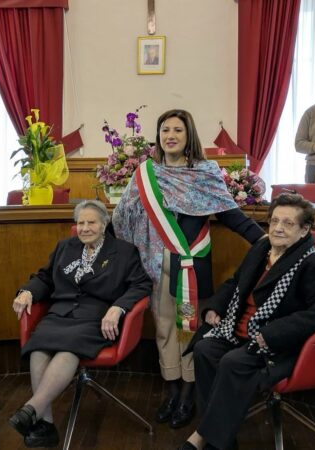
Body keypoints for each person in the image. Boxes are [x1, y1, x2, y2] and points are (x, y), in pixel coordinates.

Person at [112, 109, 265, 430]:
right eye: (165, 129)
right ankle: (170, 389)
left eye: (177, 130)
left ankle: (187, 394)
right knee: (165, 329)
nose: (170, 135)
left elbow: (231, 216)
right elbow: (124, 216)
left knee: (188, 329)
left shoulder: (205, 173)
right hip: (154, 266)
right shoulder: (145, 174)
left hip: (190, 269)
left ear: (188, 136)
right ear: (158, 136)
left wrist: (265, 242)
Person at [176, 193, 315, 450]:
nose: (278, 228)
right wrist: (214, 308)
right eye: (275, 220)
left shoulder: (312, 263)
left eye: (288, 223)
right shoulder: (261, 248)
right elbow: (236, 282)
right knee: (204, 349)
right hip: (237, 331)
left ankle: (203, 438)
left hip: (274, 344)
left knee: (233, 362)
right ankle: (222, 437)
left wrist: (274, 332)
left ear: (304, 230)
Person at [10, 200, 152, 448]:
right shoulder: (65, 247)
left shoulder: (124, 251)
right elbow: (44, 277)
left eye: (91, 222)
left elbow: (142, 285)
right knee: (39, 347)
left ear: (104, 224)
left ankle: (31, 408)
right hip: (60, 313)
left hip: (96, 317)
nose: (85, 228)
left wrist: (118, 307)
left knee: (68, 348)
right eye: (81, 223)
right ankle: (45, 423)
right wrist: (28, 293)